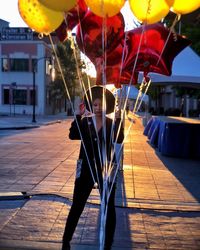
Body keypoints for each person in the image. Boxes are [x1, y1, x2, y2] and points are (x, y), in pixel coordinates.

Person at [62, 85, 124, 250]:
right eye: (95, 105)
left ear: (106, 106)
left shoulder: (111, 123)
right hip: (86, 169)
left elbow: (119, 139)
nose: (98, 108)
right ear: (91, 105)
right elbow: (73, 136)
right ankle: (66, 240)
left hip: (107, 168)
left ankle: (107, 245)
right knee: (77, 205)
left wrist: (119, 120)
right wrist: (77, 115)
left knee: (109, 206)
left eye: (101, 105)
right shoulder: (85, 122)